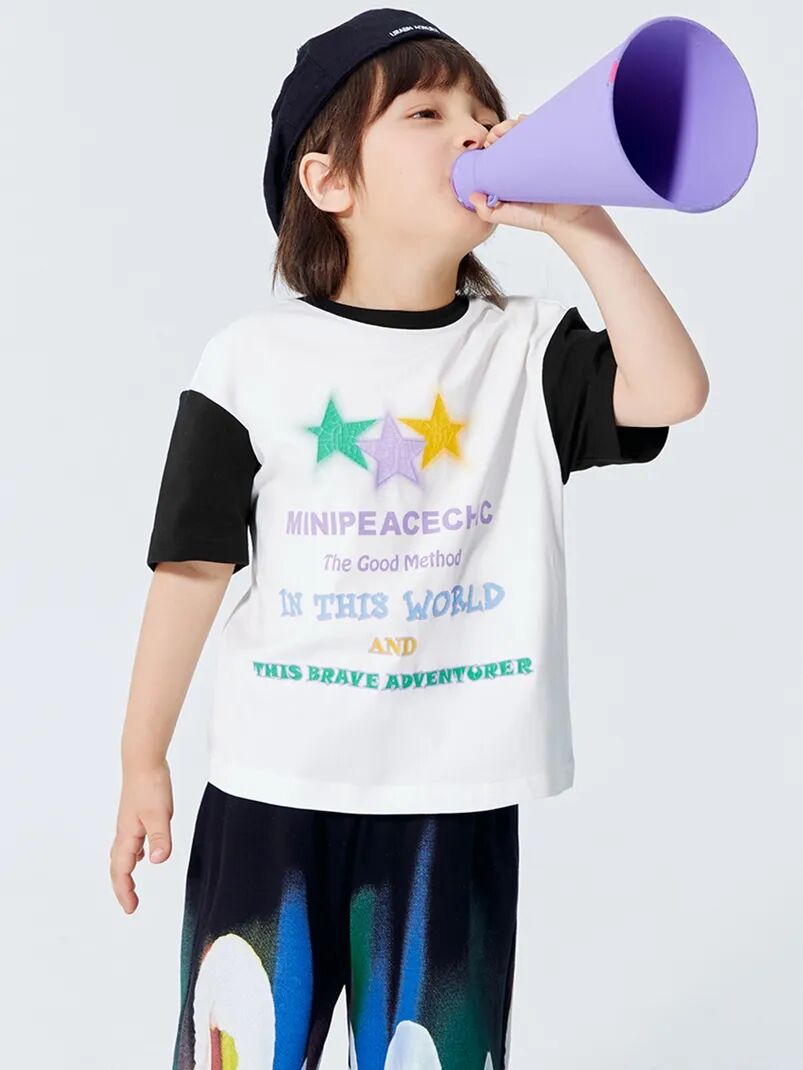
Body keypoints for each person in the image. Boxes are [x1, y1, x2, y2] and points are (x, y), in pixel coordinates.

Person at [110, 9, 708, 1069]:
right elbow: (191, 567)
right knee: (238, 1046)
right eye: (426, 113)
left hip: (452, 796)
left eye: (483, 111)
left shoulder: (524, 349)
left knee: (438, 1049)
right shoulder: (250, 359)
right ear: (328, 180)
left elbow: (669, 390)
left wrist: (582, 224)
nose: (473, 131)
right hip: (273, 786)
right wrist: (140, 756)